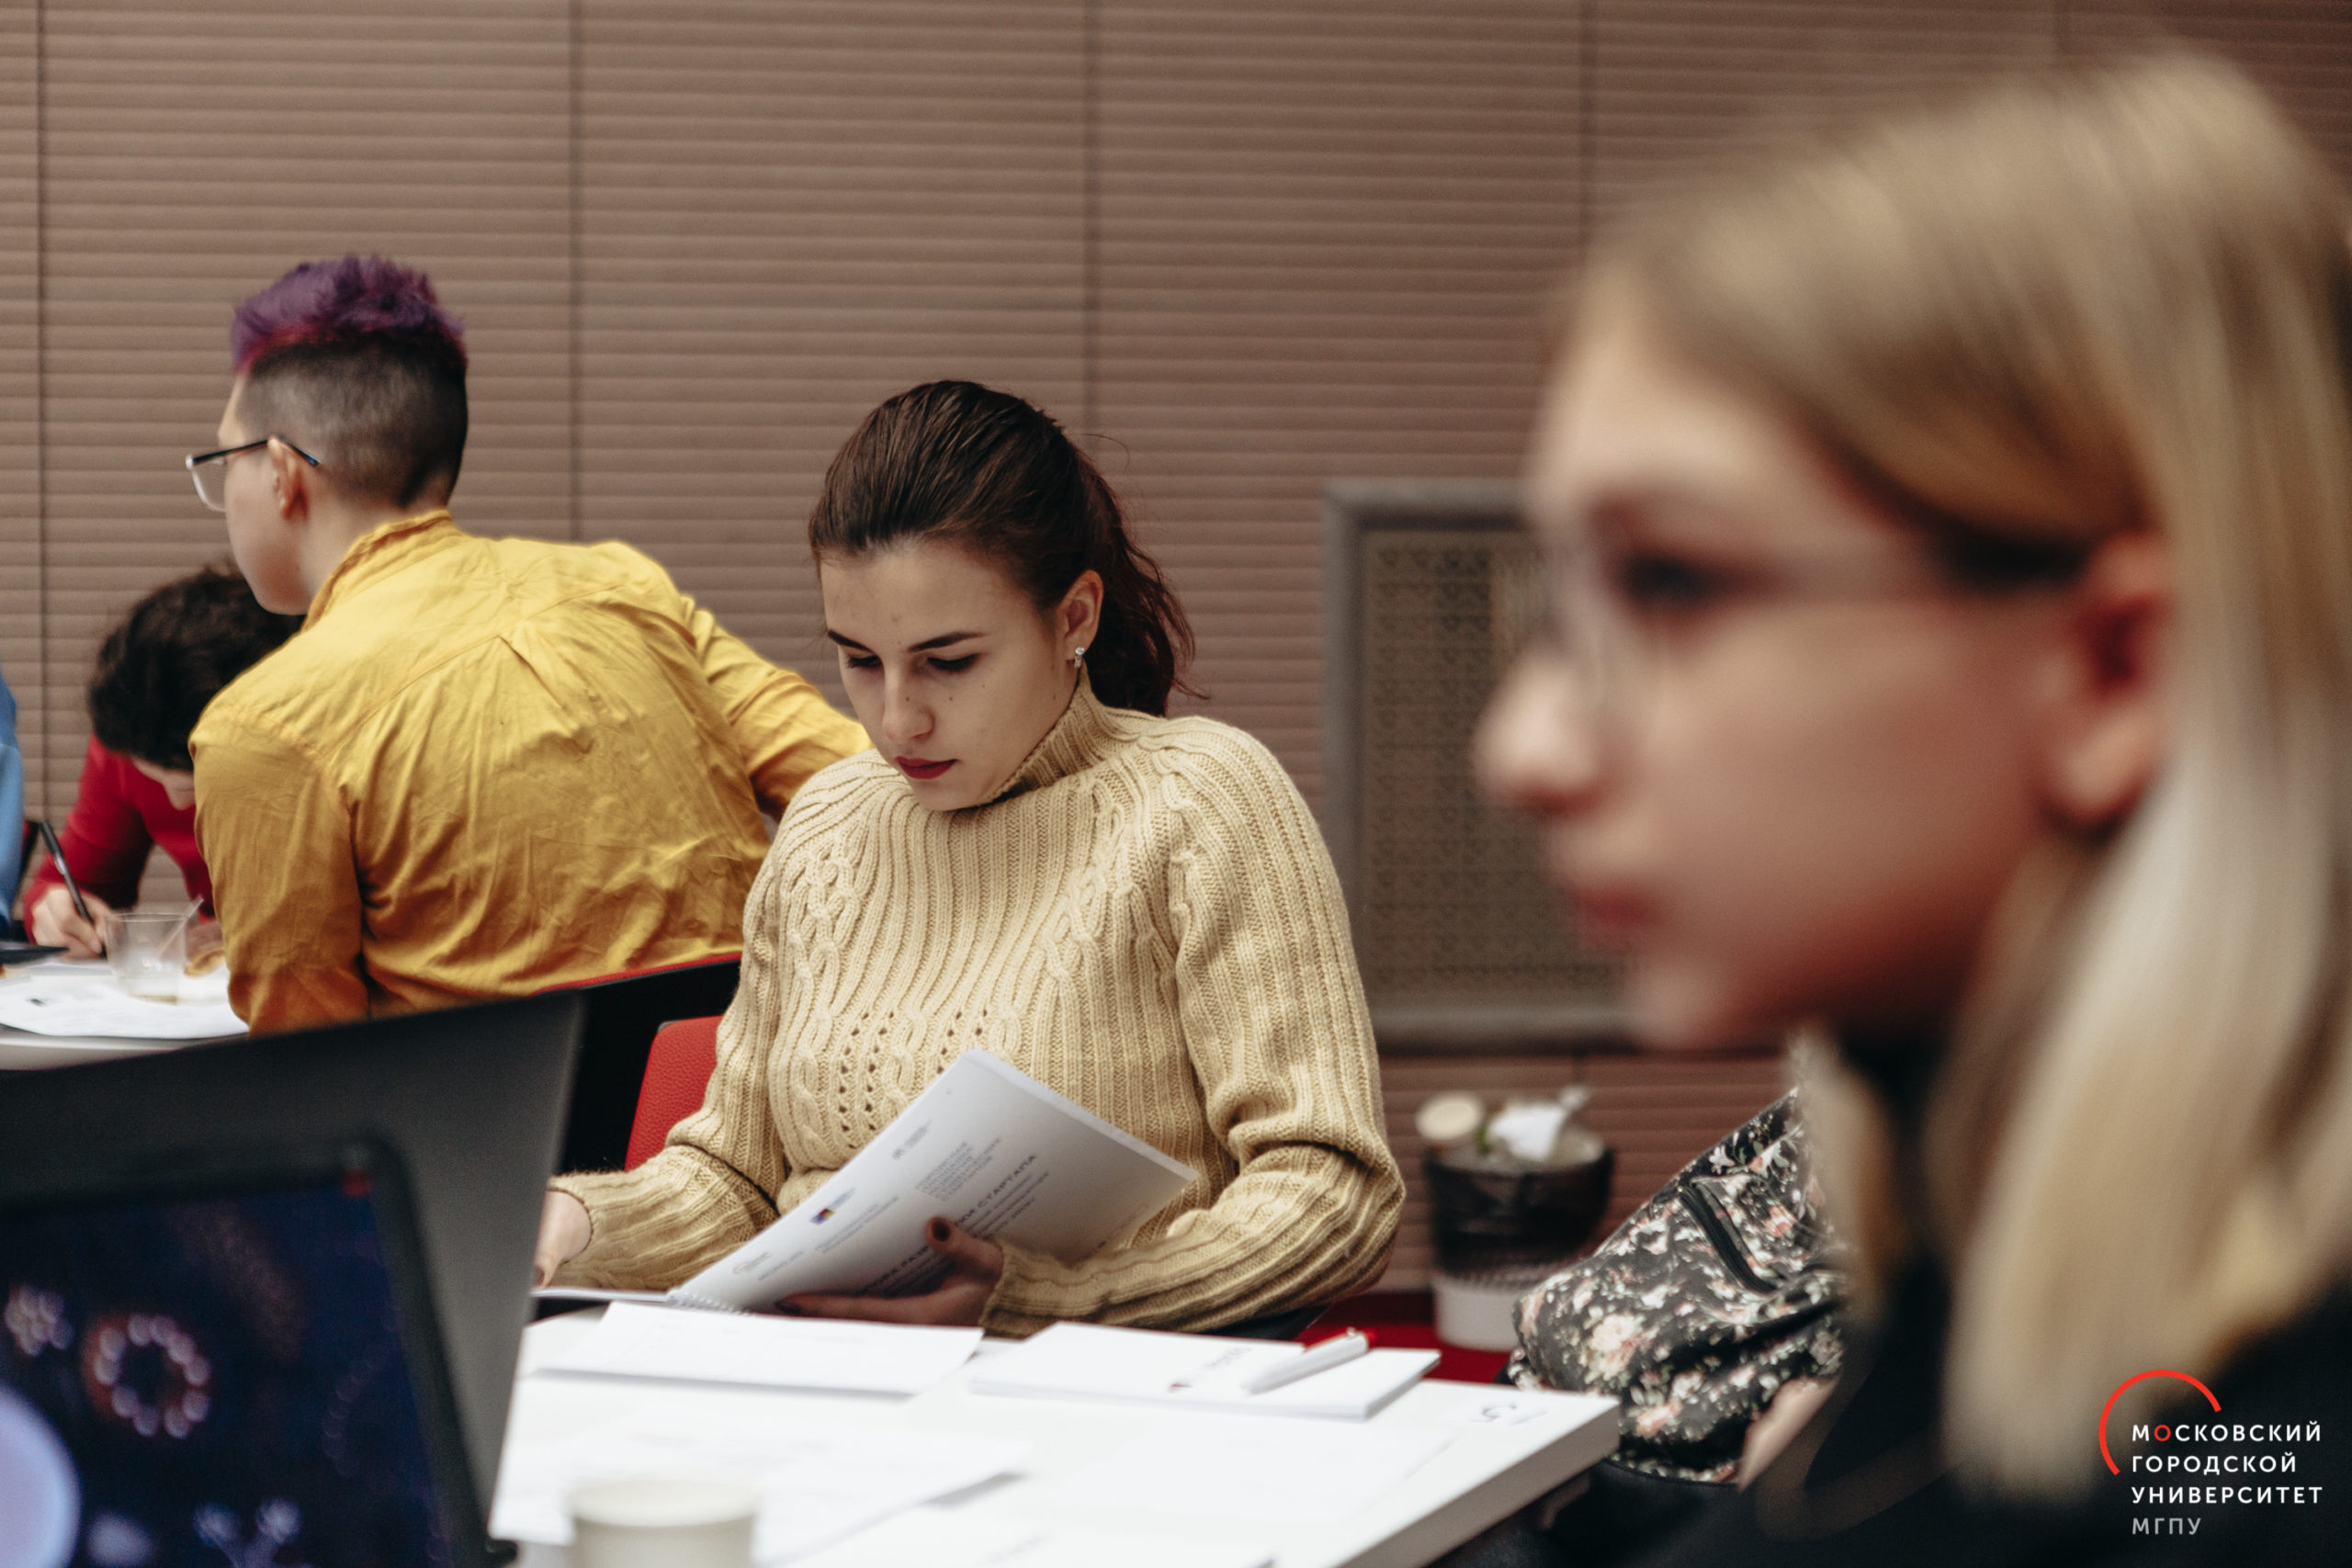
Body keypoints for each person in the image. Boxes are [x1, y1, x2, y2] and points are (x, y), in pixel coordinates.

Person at [1471, 52, 2351, 1564]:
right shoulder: (1989, 1289)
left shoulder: (2257, 1471)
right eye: (1559, 605)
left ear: (2117, 668)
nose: (1523, 749)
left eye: (1672, 581)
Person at [536, 380, 1403, 1335]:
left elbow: (1333, 1189)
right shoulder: (826, 825)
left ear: (1074, 618)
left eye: (948, 662)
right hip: (814, 1379)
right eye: (859, 659)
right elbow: (733, 1179)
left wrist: (1050, 1302)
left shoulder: (1202, 800)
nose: (896, 719)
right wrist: (572, 1224)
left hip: (1091, 1389)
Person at [187, 255, 865, 1033]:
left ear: (282, 473)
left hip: (499, 1115)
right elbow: (862, 781)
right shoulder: (625, 586)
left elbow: (314, 1068)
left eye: (226, 460)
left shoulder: (266, 729)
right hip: (754, 1091)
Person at [23, 564, 301, 956]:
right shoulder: (132, 743)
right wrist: (57, 913)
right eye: (154, 779)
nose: (176, 804)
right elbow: (75, 884)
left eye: (191, 786)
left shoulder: (325, 747)